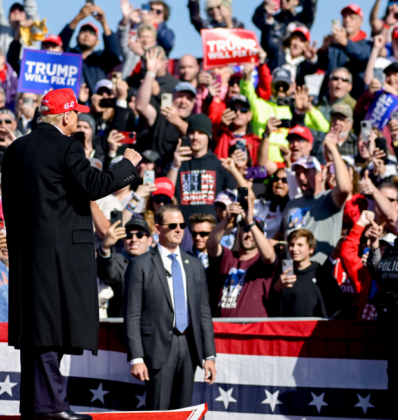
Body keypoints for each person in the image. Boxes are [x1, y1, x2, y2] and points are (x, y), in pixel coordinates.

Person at [2, 88, 142, 419]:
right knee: (51, 332)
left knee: (38, 334)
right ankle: (52, 408)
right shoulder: (67, 147)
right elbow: (95, 185)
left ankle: (35, 408)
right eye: (76, 114)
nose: (78, 120)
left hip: (26, 257)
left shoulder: (15, 150)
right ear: (66, 116)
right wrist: (127, 164)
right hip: (60, 257)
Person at [124, 204, 216, 410]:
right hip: (156, 348)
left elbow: (203, 313)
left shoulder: (194, 265)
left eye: (182, 225)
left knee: (183, 410)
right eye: (172, 225)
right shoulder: (140, 265)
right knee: (158, 411)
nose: (178, 229)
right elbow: (132, 315)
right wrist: (136, 357)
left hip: (189, 347)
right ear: (158, 229)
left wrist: (209, 355)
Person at [276, 140, 352, 263]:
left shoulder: (328, 198)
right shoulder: (291, 204)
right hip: (290, 273)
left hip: (320, 272)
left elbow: (345, 187)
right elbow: (279, 236)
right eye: (298, 173)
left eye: (306, 172)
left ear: (319, 176)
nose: (301, 177)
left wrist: (333, 149)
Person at [206, 197, 277, 317]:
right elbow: (211, 245)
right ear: (239, 234)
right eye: (245, 229)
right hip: (223, 329)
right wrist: (226, 220)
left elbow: (270, 256)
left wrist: (250, 222)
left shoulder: (261, 261)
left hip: (253, 330)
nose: (249, 234)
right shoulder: (228, 256)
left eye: (253, 231)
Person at [166, 114, 236, 223]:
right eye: (192, 133)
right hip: (184, 231)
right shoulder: (178, 162)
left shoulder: (219, 165)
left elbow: (231, 200)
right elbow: (166, 194)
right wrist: (175, 167)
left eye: (201, 133)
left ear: (208, 136)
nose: (195, 137)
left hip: (212, 230)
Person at [136, 49, 194, 165]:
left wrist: (176, 120)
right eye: (180, 96)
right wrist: (151, 72)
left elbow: (193, 135)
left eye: (188, 98)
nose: (183, 101)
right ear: (172, 97)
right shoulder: (161, 113)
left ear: (194, 103)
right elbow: (141, 107)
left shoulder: (195, 120)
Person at [269, 228, 342, 317]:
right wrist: (276, 288)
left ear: (311, 249)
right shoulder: (284, 273)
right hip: (289, 329)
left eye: (300, 245)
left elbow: (336, 304)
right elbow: (273, 309)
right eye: (292, 245)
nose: (294, 249)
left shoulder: (322, 273)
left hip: (317, 329)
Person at [59, 4, 121, 96]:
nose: (87, 35)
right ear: (76, 38)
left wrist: (103, 23)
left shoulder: (101, 59)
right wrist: (78, 17)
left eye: (92, 33)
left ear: (97, 41)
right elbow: (60, 42)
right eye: (83, 31)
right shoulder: (69, 55)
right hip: (68, 102)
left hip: (94, 104)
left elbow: (114, 55)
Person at [97, 217, 153, 318]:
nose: (134, 239)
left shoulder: (158, 262)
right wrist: (105, 247)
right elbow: (106, 273)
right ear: (123, 241)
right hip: (123, 326)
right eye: (128, 236)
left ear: (149, 240)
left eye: (140, 235)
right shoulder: (117, 261)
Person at [317, 4, 372, 99]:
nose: (347, 20)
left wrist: (346, 43)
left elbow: (363, 56)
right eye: (345, 17)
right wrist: (323, 49)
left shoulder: (367, 44)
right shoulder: (334, 45)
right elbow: (321, 66)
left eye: (352, 17)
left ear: (361, 22)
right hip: (328, 99)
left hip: (354, 101)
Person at [252, 0, 318, 59]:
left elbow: (310, 6)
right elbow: (256, 19)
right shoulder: (271, 20)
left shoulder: (303, 20)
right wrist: (264, 6)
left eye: (287, 0)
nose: (283, 1)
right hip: (270, 65)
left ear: (296, 1)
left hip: (295, 68)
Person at [213, 94, 261, 165]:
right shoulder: (220, 134)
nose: (238, 113)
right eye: (234, 110)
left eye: (243, 110)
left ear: (249, 115)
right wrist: (221, 125)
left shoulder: (255, 140)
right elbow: (212, 137)